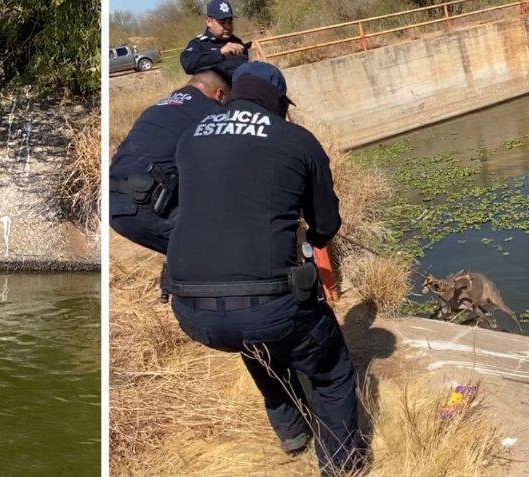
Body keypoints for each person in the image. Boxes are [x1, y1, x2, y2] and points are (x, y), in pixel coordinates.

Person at [165, 61, 365, 476]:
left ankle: (292, 434)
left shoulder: (189, 138)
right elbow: (325, 225)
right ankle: (342, 466)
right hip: (268, 307)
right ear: (278, 100)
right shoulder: (296, 140)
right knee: (333, 374)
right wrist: (310, 240)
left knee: (253, 342)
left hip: (189, 309)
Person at [109, 70, 229, 255]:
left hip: (115, 203)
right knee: (225, 252)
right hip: (147, 203)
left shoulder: (158, 107)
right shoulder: (210, 109)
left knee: (192, 256)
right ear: (219, 94)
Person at [180, 0, 252, 82]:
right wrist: (219, 53)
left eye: (230, 22)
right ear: (209, 22)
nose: (227, 26)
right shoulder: (199, 44)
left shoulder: (236, 41)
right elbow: (188, 64)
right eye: (222, 22)